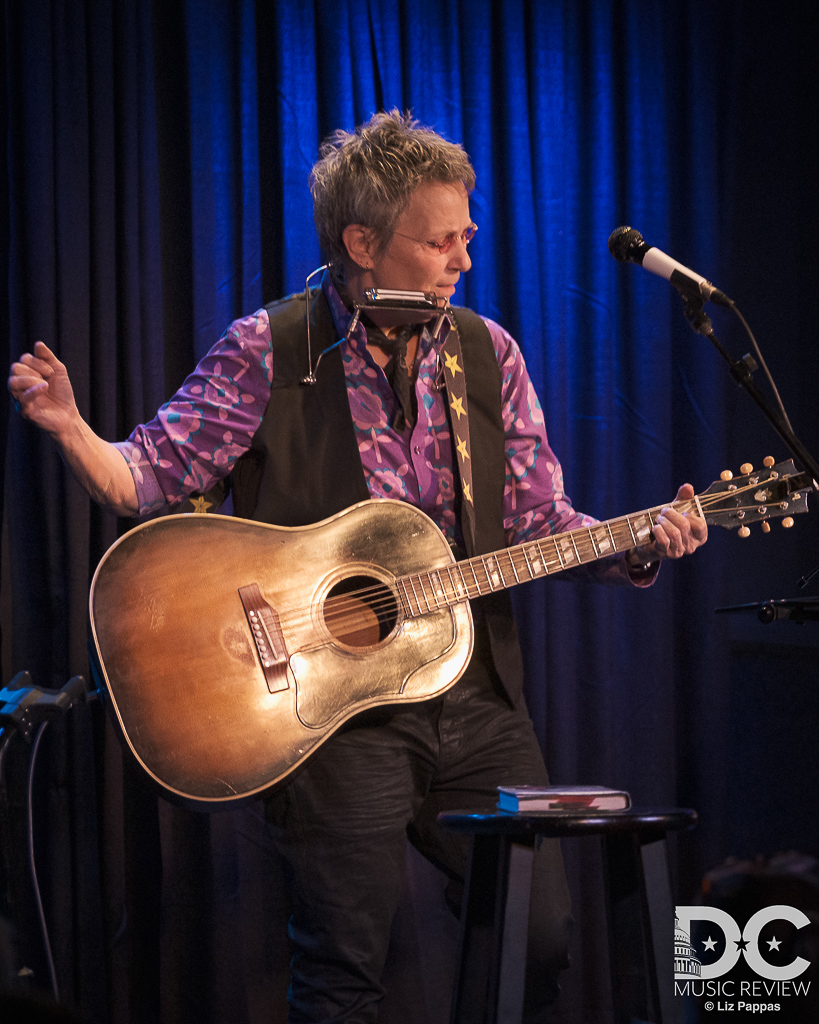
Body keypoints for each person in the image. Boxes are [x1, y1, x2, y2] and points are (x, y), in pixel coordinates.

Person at [8, 111, 707, 1023]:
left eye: (468, 236)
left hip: (477, 700)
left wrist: (636, 544)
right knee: (343, 974)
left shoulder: (486, 355)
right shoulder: (270, 349)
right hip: (330, 706)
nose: (462, 259)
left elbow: (539, 521)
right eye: (439, 241)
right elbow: (144, 477)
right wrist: (72, 430)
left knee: (538, 940)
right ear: (362, 243)